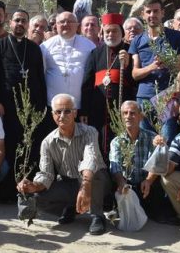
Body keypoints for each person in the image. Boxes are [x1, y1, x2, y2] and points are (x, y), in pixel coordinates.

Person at [17, 94, 111, 235]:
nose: (62, 115)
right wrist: (33, 186)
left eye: (67, 111)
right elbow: (46, 174)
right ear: (52, 114)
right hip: (69, 183)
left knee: (95, 173)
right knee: (37, 198)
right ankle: (71, 207)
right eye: (58, 112)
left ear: (75, 113)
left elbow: (91, 158)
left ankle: (97, 215)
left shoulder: (89, 131)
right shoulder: (48, 142)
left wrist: (85, 185)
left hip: (96, 181)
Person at [0, 9, 47, 198]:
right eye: (17, 20)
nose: (20, 24)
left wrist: (40, 107)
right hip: (7, 108)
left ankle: (26, 188)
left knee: (28, 147)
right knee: (10, 147)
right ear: (10, 23)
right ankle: (5, 192)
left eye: (24, 21)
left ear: (27, 25)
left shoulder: (35, 49)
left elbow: (40, 79)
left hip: (30, 109)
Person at [109, 100, 174, 223]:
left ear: (140, 116)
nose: (128, 116)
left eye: (133, 113)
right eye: (125, 113)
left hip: (146, 183)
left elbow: (157, 163)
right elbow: (115, 167)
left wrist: (149, 180)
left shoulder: (152, 137)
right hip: (127, 185)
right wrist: (122, 183)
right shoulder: (117, 141)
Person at [81, 13, 134, 156]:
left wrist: (128, 65)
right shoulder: (95, 53)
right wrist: (84, 111)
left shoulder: (130, 51)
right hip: (98, 109)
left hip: (122, 107)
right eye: (107, 31)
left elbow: (135, 81)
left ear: (121, 32)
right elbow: (87, 83)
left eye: (114, 30)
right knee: (99, 143)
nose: (110, 34)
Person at [129, 0, 180, 109]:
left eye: (156, 11)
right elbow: (135, 74)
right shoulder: (137, 40)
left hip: (168, 96)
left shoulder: (176, 37)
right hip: (144, 97)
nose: (152, 15)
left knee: (167, 127)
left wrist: (177, 94)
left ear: (162, 13)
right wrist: (153, 66)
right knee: (144, 127)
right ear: (143, 14)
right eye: (148, 12)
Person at [40, 11, 96, 111]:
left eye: (70, 21)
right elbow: (40, 73)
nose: (66, 24)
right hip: (52, 105)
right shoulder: (46, 46)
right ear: (56, 25)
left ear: (77, 25)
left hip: (79, 105)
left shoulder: (89, 46)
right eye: (62, 22)